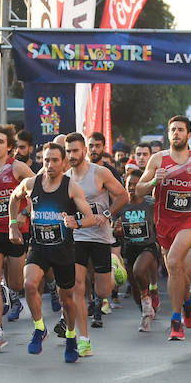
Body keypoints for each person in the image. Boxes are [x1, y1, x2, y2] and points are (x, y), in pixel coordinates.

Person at [9, 142, 98, 362]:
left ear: (64, 163)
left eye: (54, 160)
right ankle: (40, 329)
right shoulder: (31, 183)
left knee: (66, 299)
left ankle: (70, 336)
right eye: (46, 160)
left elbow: (90, 217)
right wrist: (12, 224)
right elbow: (14, 198)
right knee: (29, 284)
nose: (49, 164)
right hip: (38, 248)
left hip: (63, 251)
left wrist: (75, 222)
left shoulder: (71, 187)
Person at [135, 116, 191, 341]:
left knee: (173, 261)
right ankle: (187, 301)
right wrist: (154, 182)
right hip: (164, 222)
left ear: (189, 135)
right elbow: (138, 191)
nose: (176, 133)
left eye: (181, 130)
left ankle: (175, 320)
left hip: (189, 221)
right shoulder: (158, 159)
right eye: (173, 130)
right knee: (175, 269)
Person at [63, 132, 126, 353]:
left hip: (100, 237)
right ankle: (84, 339)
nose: (71, 155)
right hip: (77, 238)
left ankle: (114, 264)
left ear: (84, 151)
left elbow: (123, 196)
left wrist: (107, 213)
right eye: (68, 151)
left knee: (103, 291)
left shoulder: (100, 173)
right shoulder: (65, 176)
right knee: (77, 288)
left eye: (75, 151)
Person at [0, 124, 35, 353]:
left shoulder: (17, 167)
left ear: (10, 147)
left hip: (16, 233)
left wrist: (23, 214)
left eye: (1, 141)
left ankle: (12, 295)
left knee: (15, 283)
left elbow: (37, 189)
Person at [112, 167, 161, 332]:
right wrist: (116, 230)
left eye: (136, 184)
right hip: (129, 248)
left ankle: (147, 299)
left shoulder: (150, 203)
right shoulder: (121, 206)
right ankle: (145, 313)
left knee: (139, 271)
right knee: (134, 287)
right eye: (129, 184)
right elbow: (113, 230)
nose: (132, 187)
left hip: (148, 246)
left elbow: (162, 219)